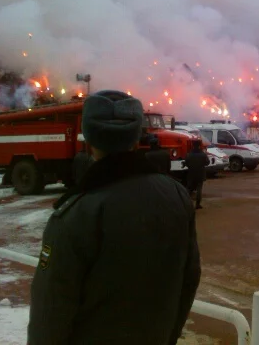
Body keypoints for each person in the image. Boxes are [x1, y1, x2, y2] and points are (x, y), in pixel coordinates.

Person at [28, 90, 200, 345]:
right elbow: (189, 279)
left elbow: (51, 312)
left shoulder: (75, 214)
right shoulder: (177, 196)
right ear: (135, 139)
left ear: (89, 139)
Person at [184, 139, 210, 210]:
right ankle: (197, 204)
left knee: (189, 189)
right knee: (199, 189)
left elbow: (186, 163)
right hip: (200, 174)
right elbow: (207, 162)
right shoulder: (203, 154)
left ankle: (186, 204)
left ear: (192, 145)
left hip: (191, 174)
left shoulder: (189, 154)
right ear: (199, 145)